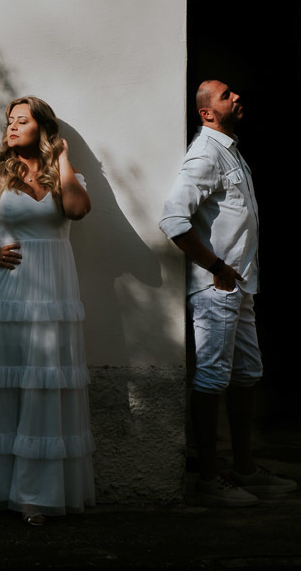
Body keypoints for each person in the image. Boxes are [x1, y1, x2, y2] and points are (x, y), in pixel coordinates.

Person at [0, 96, 94, 526]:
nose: (10, 127)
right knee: (8, 389)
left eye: (21, 121)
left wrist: (61, 156)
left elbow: (78, 211)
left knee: (44, 389)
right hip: (8, 293)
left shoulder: (67, 176)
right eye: (9, 121)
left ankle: (35, 497)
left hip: (53, 296)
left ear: (42, 129)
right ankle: (0, 489)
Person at [159, 80, 296, 506]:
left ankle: (244, 468)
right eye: (225, 95)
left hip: (241, 285)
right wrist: (216, 267)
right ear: (207, 112)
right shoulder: (204, 155)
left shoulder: (228, 149)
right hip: (216, 287)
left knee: (246, 374)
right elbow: (173, 220)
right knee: (214, 377)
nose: (236, 96)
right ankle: (209, 481)